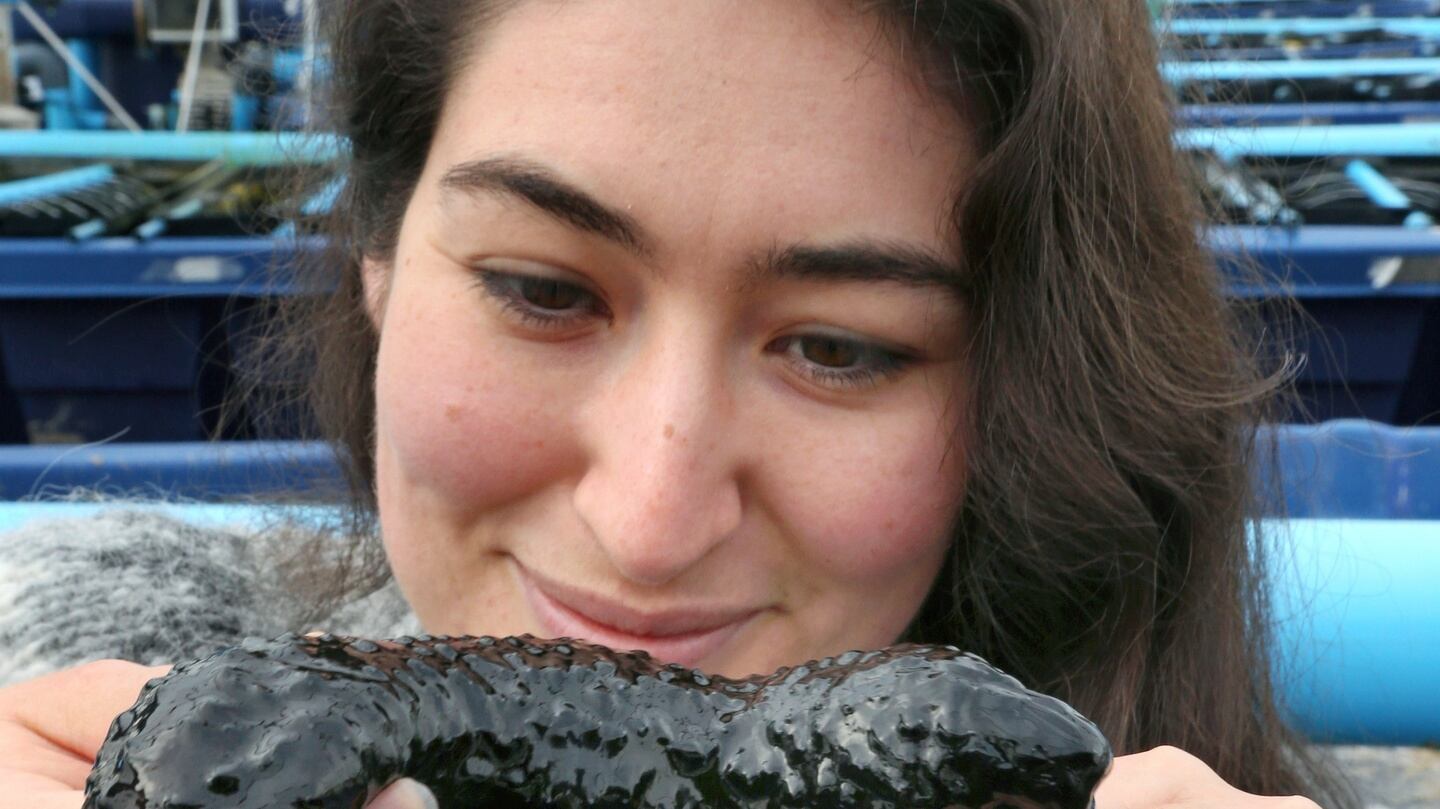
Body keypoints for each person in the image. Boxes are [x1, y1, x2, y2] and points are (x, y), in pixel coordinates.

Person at [0, 2, 1362, 808]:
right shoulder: (78, 654)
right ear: (379, 255)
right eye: (541, 288)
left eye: (838, 345)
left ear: (1034, 384)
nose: (648, 526)